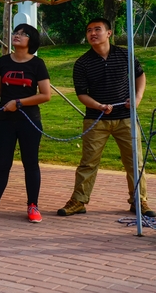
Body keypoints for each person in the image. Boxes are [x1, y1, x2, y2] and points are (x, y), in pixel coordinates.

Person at [57, 17, 155, 218]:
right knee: (88, 163)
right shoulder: (82, 63)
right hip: (96, 119)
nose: (92, 33)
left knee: (134, 162)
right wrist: (99, 106)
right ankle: (78, 201)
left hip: (126, 118)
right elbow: (82, 94)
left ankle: (139, 201)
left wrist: (137, 98)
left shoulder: (125, 54)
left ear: (109, 33)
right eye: (89, 30)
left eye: (97, 29)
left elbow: (140, 75)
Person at [0, 24, 51, 224]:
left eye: (23, 34)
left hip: (30, 121)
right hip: (6, 121)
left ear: (31, 40)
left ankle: (33, 205)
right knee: (2, 165)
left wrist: (19, 103)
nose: (17, 36)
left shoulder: (37, 64)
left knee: (31, 164)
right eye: (15, 33)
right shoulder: (3, 61)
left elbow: (45, 95)